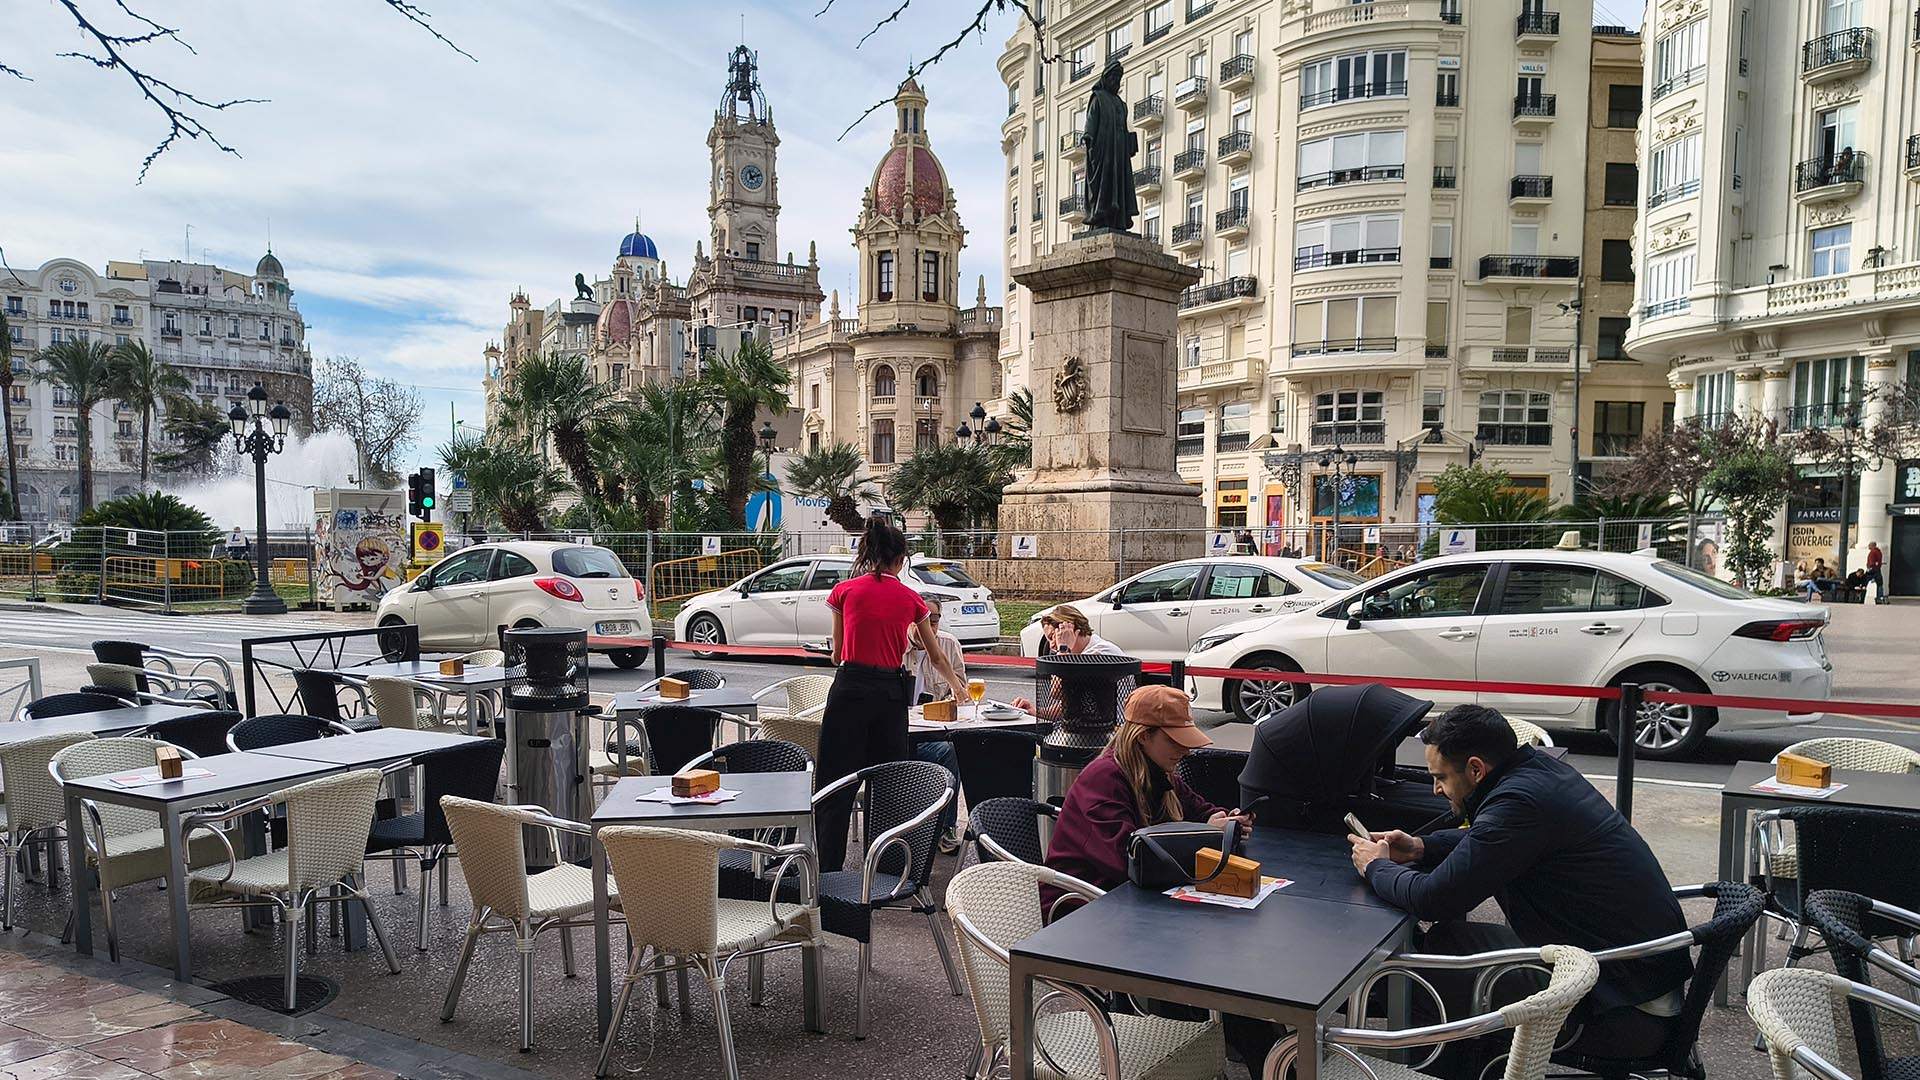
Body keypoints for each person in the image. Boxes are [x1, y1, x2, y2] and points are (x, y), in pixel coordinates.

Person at [1350, 705, 1691, 1074]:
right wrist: (1421, 846)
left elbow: (1433, 898)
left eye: (1441, 777)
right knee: (1451, 941)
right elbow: (1492, 840)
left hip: (1619, 1010)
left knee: (1412, 981)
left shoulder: (1519, 803)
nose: (1436, 789)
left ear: (1476, 769)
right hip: (1636, 978)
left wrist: (1376, 866)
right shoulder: (1541, 773)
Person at [1044, 685, 1269, 1064]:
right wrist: (1208, 837)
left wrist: (1225, 822)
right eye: (1176, 740)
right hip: (1086, 910)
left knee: (1226, 953)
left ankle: (1221, 1041)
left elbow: (1199, 812)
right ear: (1143, 736)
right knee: (1217, 956)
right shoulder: (1104, 777)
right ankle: (1204, 1045)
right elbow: (1125, 858)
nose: (1186, 750)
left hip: (1142, 904)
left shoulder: (1161, 772)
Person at [817, 516, 969, 872]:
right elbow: (935, 655)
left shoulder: (845, 591)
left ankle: (828, 871)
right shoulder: (911, 599)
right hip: (889, 693)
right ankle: (886, 868)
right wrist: (960, 689)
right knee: (890, 781)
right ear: (901, 559)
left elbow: (837, 654)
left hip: (850, 688)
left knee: (835, 780)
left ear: (869, 553)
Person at [906, 598, 968, 851]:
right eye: (924, 620)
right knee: (944, 752)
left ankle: (945, 827)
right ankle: (917, 828)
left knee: (953, 749)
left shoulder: (949, 644)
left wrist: (956, 694)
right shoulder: (897, 646)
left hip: (935, 730)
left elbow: (962, 691)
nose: (930, 627)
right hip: (902, 732)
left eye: (935, 620)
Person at [1011, 604, 1122, 715]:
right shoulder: (1083, 653)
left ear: (1069, 630)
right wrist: (1035, 711)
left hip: (1110, 729)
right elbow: (1068, 704)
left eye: (1052, 637)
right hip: (1091, 726)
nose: (1051, 646)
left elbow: (1057, 693)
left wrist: (1063, 650)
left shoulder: (1098, 653)